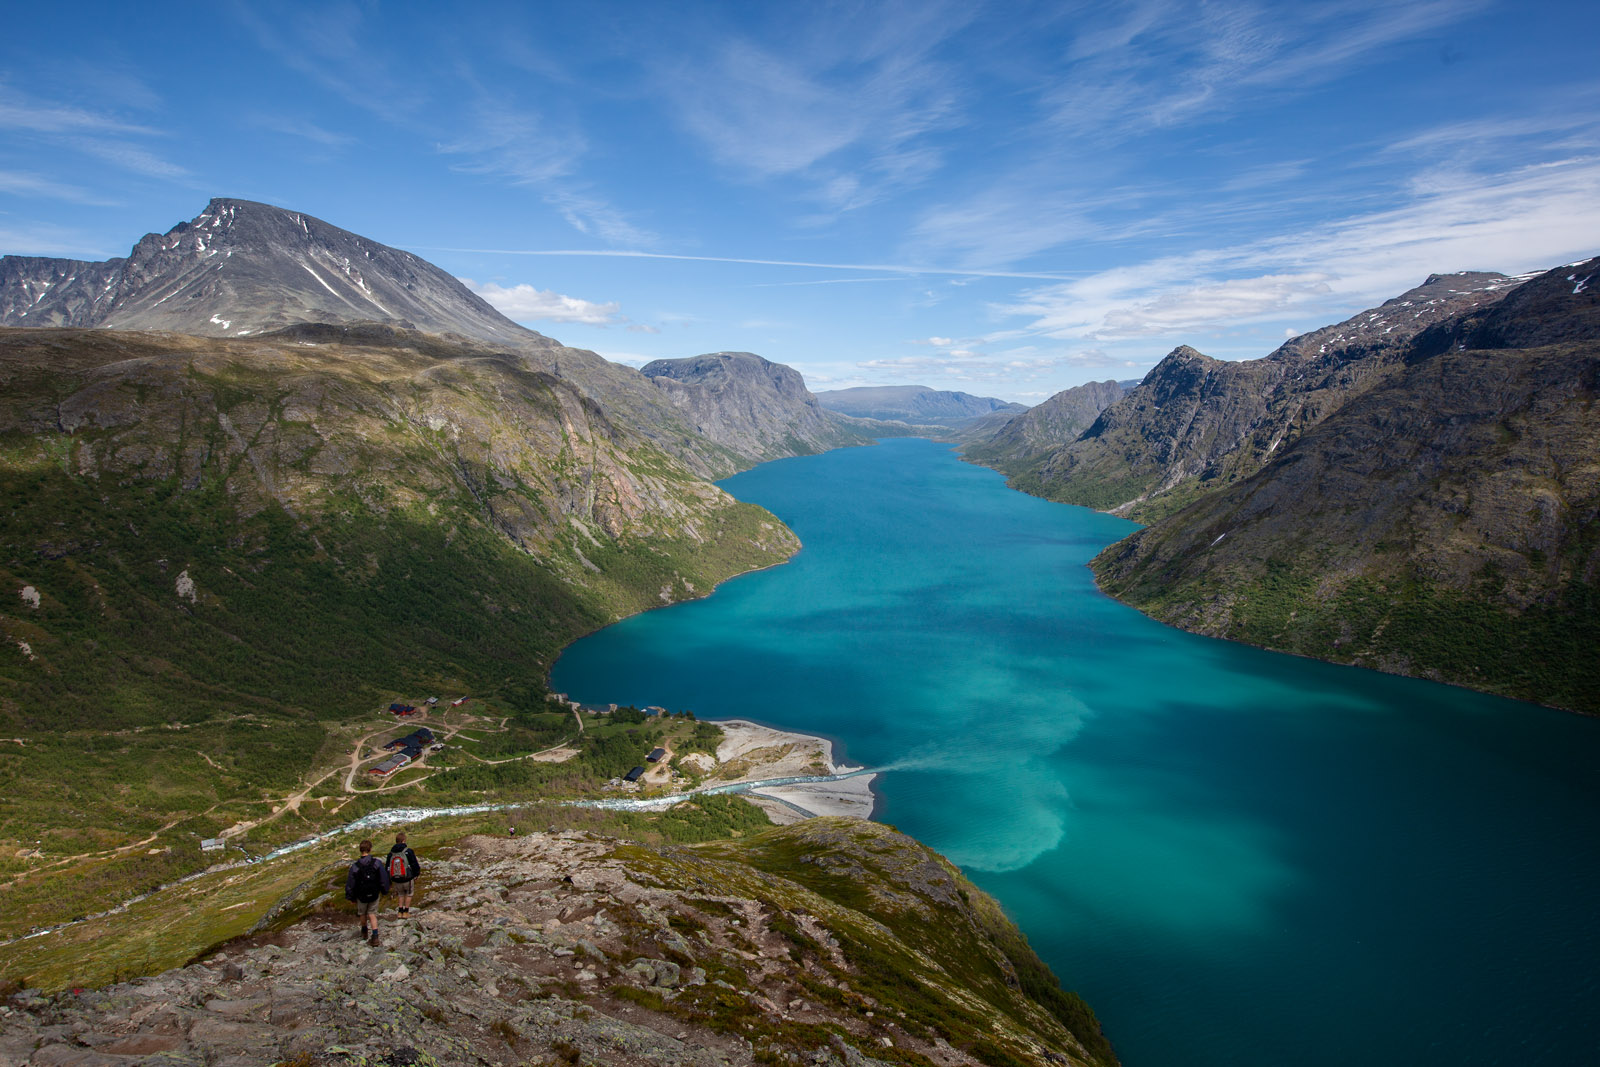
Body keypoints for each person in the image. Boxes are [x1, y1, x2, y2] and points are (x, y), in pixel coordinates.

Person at [344, 838, 390, 945]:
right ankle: (375, 936)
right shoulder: (376, 863)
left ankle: (364, 932)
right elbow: (383, 878)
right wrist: (385, 890)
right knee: (372, 914)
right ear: (370, 849)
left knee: (362, 914)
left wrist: (351, 897)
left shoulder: (355, 867)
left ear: (360, 850)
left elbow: (351, 883)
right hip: (374, 893)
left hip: (361, 895)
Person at [386, 831, 422, 919]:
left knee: (400, 894)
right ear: (404, 841)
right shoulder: (408, 851)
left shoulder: (391, 854)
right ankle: (406, 912)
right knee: (409, 894)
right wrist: (416, 874)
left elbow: (387, 867)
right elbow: (414, 864)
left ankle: (399, 912)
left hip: (396, 878)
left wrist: (389, 880)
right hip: (407, 878)